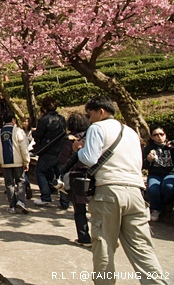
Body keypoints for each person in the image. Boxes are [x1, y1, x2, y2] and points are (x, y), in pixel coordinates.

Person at [73, 96, 166, 284]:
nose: (89, 119)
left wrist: (78, 149)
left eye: (90, 115)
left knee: (104, 245)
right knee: (142, 248)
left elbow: (89, 159)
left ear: (101, 112)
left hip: (109, 191)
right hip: (136, 192)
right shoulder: (131, 132)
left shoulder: (97, 128)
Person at [58, 112, 92, 247]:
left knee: (79, 209)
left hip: (77, 177)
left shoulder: (69, 140)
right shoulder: (91, 137)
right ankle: (105, 236)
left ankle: (84, 238)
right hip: (93, 175)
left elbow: (63, 159)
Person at [31, 97, 68, 207]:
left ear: (44, 107)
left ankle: (45, 197)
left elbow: (38, 135)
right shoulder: (62, 119)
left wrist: (34, 132)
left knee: (40, 171)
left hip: (48, 152)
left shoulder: (44, 120)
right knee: (60, 175)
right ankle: (64, 201)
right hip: (61, 151)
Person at [0, 110, 30, 214]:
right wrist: (26, 161)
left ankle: (12, 206)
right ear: (13, 120)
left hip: (5, 162)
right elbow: (24, 148)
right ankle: (21, 201)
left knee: (9, 184)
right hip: (18, 162)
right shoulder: (18, 131)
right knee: (21, 181)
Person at [142, 127, 174, 222]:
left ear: (165, 135)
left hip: (170, 173)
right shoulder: (148, 148)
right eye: (155, 135)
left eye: (161, 134)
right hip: (155, 174)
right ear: (152, 137)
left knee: (168, 187)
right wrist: (148, 160)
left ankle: (163, 207)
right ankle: (156, 209)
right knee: (153, 189)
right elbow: (143, 165)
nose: (159, 137)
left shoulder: (171, 146)